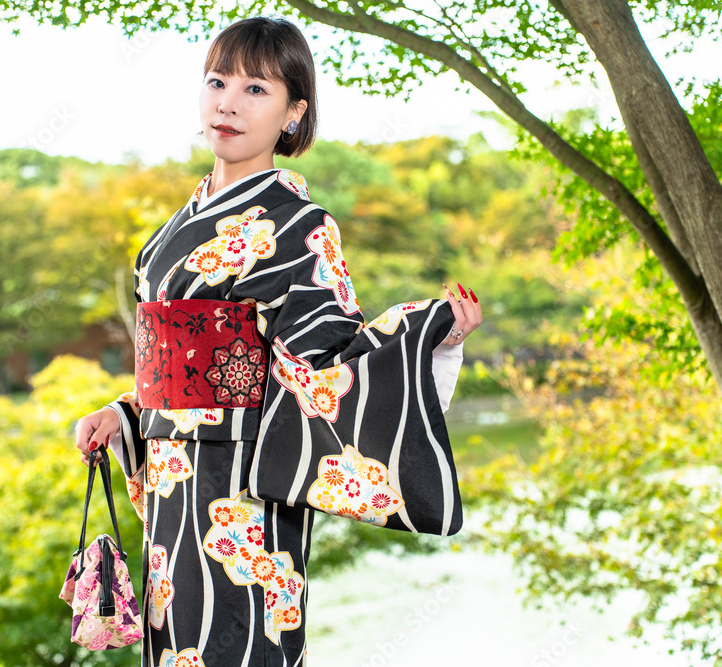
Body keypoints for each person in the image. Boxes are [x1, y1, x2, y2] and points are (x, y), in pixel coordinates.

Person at [74, 16, 483, 666]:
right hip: (169, 484)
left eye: (256, 89)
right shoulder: (165, 238)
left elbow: (327, 363)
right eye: (217, 82)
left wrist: (430, 337)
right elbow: (168, 369)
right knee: (175, 640)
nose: (228, 103)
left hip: (246, 486)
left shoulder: (300, 227)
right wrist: (123, 414)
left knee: (243, 642)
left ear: (295, 112)